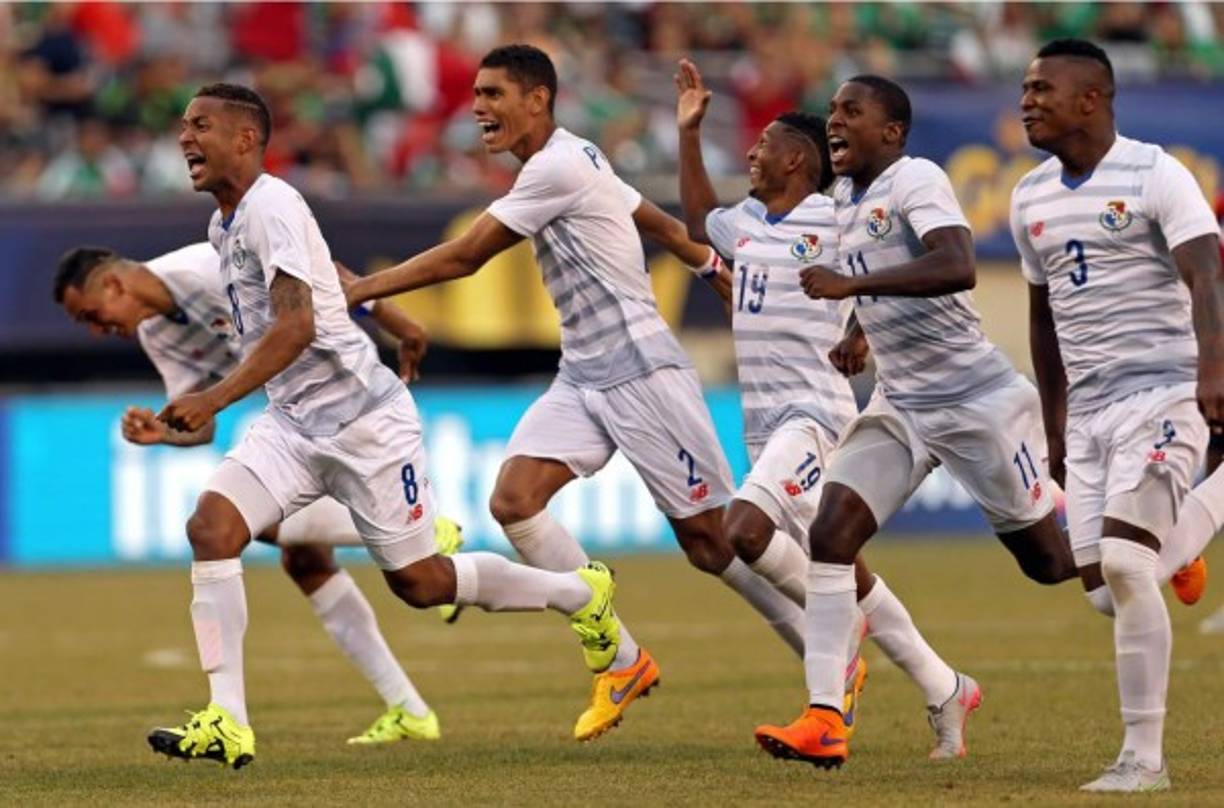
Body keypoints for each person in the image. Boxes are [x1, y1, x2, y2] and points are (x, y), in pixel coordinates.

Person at [146, 81, 623, 769]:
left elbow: (297, 324)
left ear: (246, 139)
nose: (185, 137)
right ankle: (228, 719)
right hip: (293, 424)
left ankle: (581, 592)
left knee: (421, 585)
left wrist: (215, 398)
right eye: (183, 126)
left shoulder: (271, 205)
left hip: (364, 423)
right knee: (211, 529)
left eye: (201, 126)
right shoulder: (224, 226)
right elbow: (322, 279)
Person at [345, 44, 807, 742]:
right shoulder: (576, 157)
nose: (478, 108)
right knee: (514, 501)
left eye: (494, 94)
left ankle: (824, 650)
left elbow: (469, 255)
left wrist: (363, 290)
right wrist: (706, 258)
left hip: (642, 370)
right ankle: (622, 659)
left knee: (712, 545)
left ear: (538, 99)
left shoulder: (557, 165)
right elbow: (645, 213)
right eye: (475, 94)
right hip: (584, 373)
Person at [754, 73, 1082, 768]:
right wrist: (857, 330)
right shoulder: (843, 198)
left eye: (852, 111)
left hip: (976, 399)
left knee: (1050, 565)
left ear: (892, 131)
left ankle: (1134, 540)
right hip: (901, 402)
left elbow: (957, 264)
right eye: (834, 110)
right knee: (831, 533)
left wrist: (851, 288)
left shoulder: (917, 178)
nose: (834, 121)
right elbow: (879, 274)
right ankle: (824, 717)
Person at [673, 57, 978, 759]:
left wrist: (864, 329)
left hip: (815, 412)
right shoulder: (747, 220)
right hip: (761, 417)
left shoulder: (835, 216)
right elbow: (696, 219)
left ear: (799, 160)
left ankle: (830, 651)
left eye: (764, 144)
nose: (751, 153)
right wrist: (689, 133)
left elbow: (887, 271)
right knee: (844, 570)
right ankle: (946, 687)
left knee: (742, 531)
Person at [52, 242, 467, 746]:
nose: (97, 331)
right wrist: (164, 432)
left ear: (114, 285)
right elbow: (199, 425)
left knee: (247, 524)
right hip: (291, 419)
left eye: (91, 316)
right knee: (304, 560)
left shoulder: (205, 267)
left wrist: (399, 323)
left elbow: (323, 270)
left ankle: (428, 532)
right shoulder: (158, 333)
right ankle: (409, 710)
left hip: (339, 392)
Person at [1012, 39, 1224, 792]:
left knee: (1133, 566)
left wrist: (1212, 369)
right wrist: (1056, 418)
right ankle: (1202, 517)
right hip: (1094, 408)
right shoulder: (1029, 195)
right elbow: (1042, 317)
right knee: (1106, 590)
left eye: (1042, 88)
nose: (1027, 99)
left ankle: (1144, 759)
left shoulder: (1156, 172)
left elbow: (1205, 272)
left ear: (1091, 99)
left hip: (1166, 390)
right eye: (1024, 88)